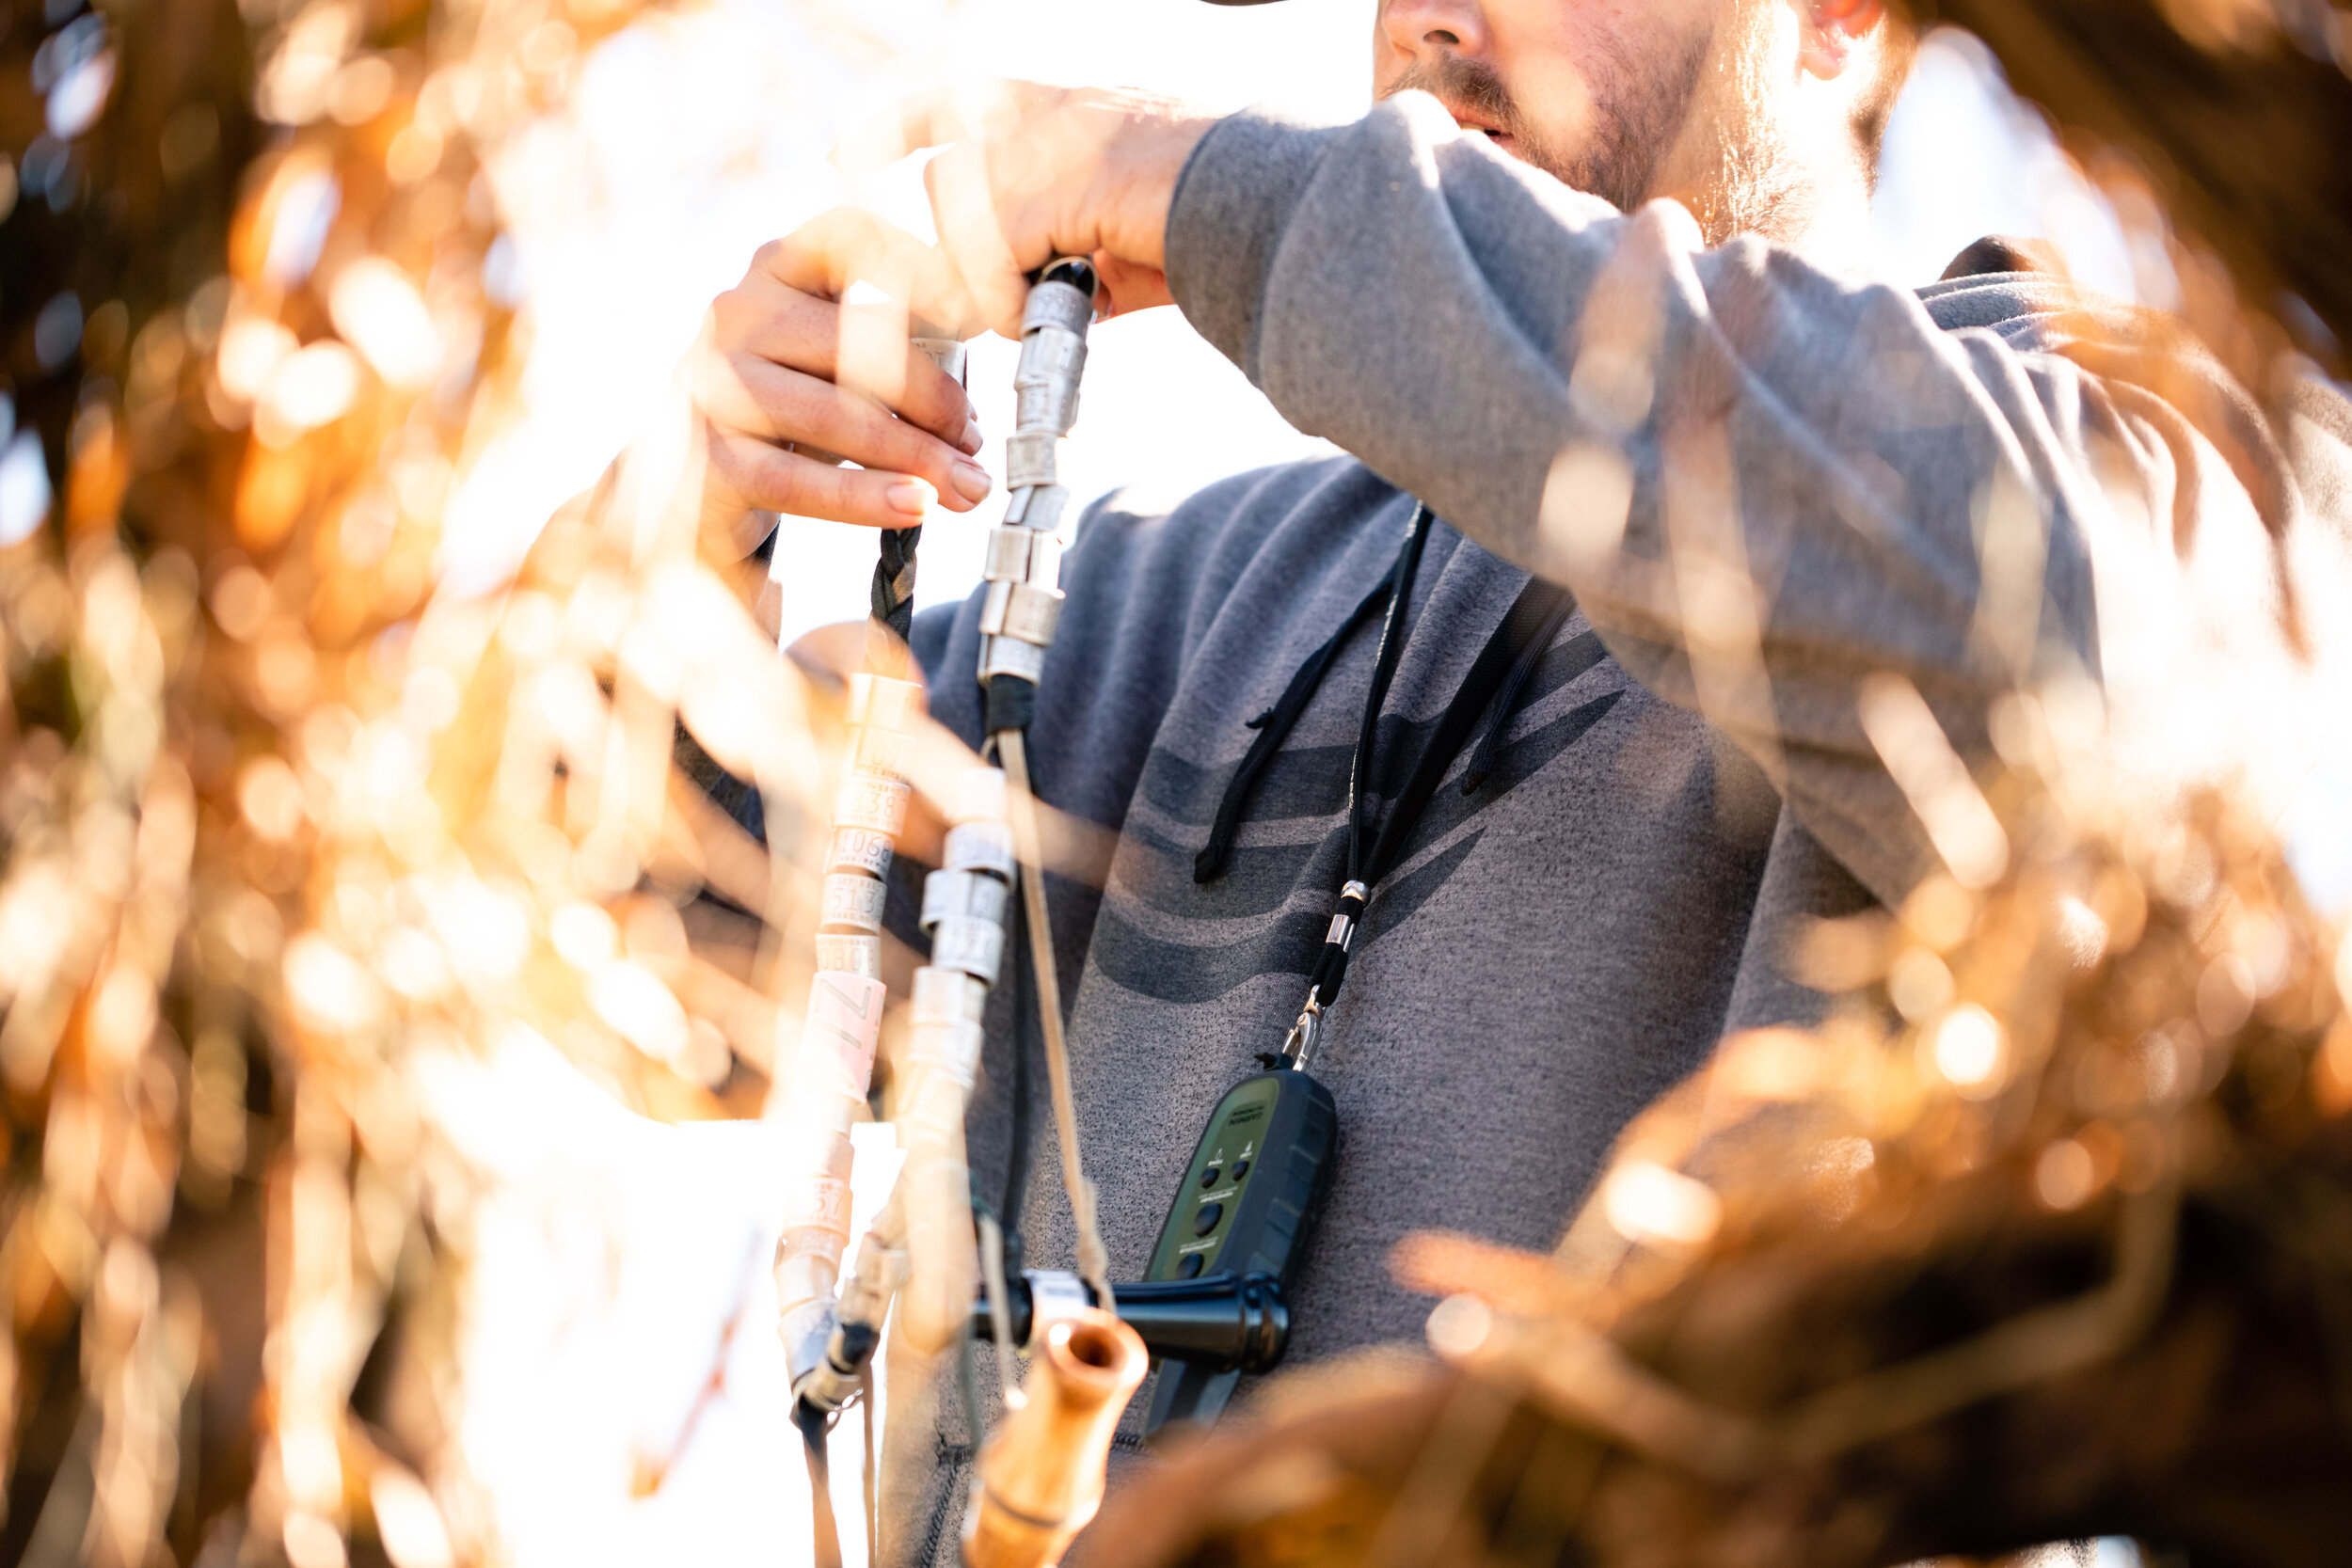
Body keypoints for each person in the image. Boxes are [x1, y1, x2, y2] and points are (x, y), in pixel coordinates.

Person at [664, 0, 2352, 1559]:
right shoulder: (1175, 601)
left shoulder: (2151, 465)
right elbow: (648, 935)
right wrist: (690, 535)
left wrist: (1189, 183)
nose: (1427, 18)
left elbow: (2076, 669)